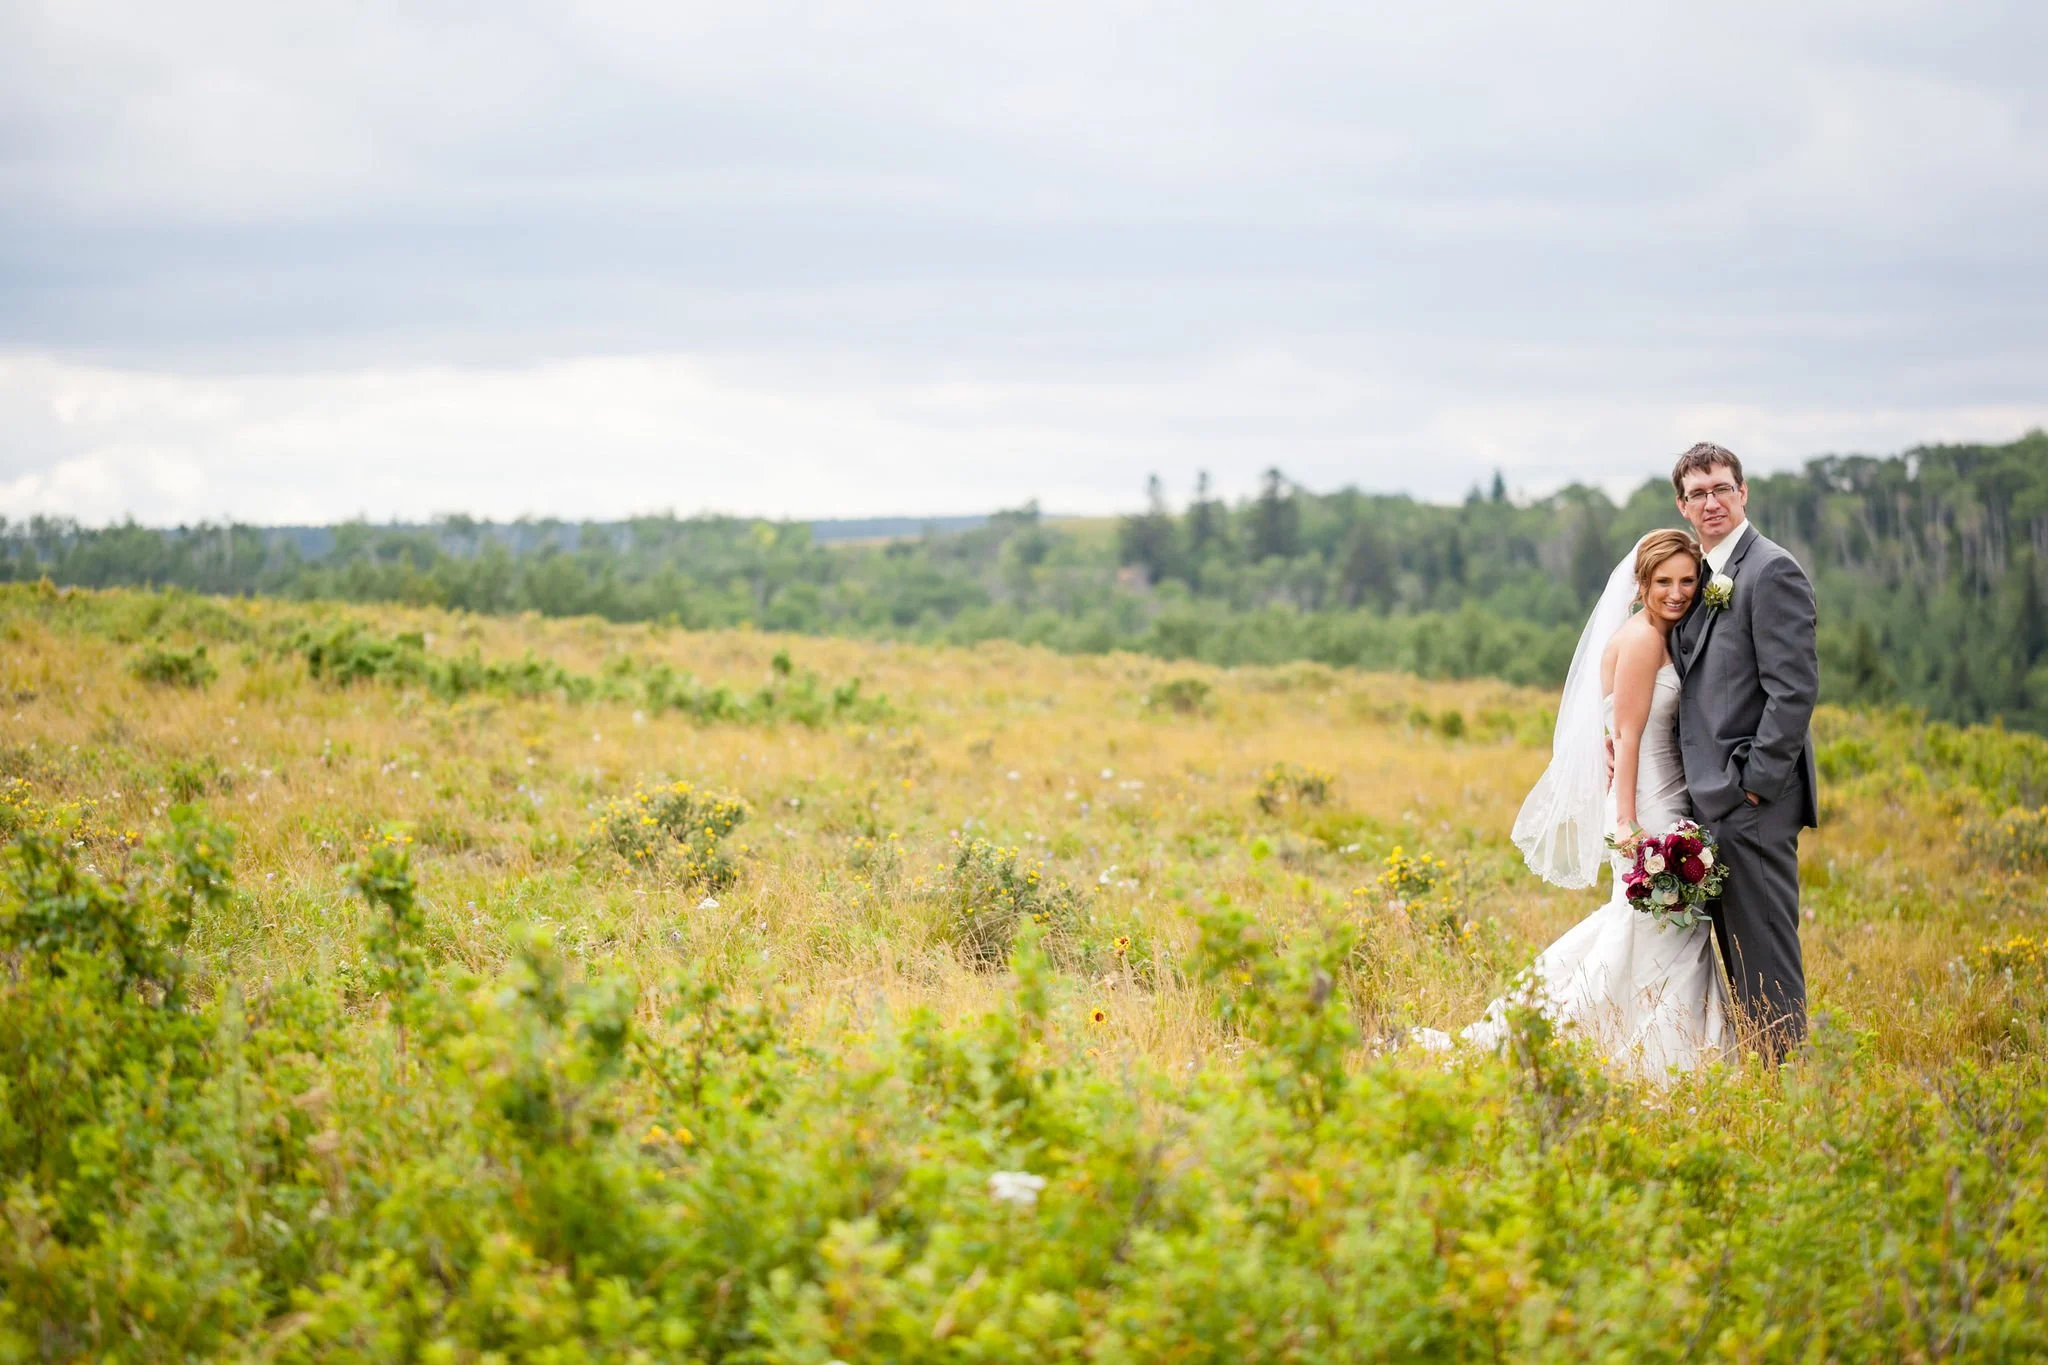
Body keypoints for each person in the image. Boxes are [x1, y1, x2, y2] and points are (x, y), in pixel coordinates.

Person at [1421, 529, 1735, 1080]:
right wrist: (1628, 824)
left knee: (1653, 929)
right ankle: (1657, 1055)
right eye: (1664, 581)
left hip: (1665, 798)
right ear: (1642, 584)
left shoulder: (1665, 635)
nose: (1677, 592)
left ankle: (1654, 1044)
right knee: (1666, 927)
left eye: (1688, 581)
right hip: (1647, 808)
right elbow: (1630, 736)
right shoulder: (1641, 641)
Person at [1668, 443, 1819, 1059]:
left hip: (1752, 801)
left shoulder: (1770, 570)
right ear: (1682, 504)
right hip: (1710, 799)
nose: (1712, 502)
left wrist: (1753, 784)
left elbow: (1794, 690)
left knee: (1765, 947)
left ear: (1744, 492)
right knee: (1735, 948)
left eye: (1722, 488)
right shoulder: (1701, 575)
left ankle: (1788, 1080)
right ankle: (1765, 1069)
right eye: (1698, 493)